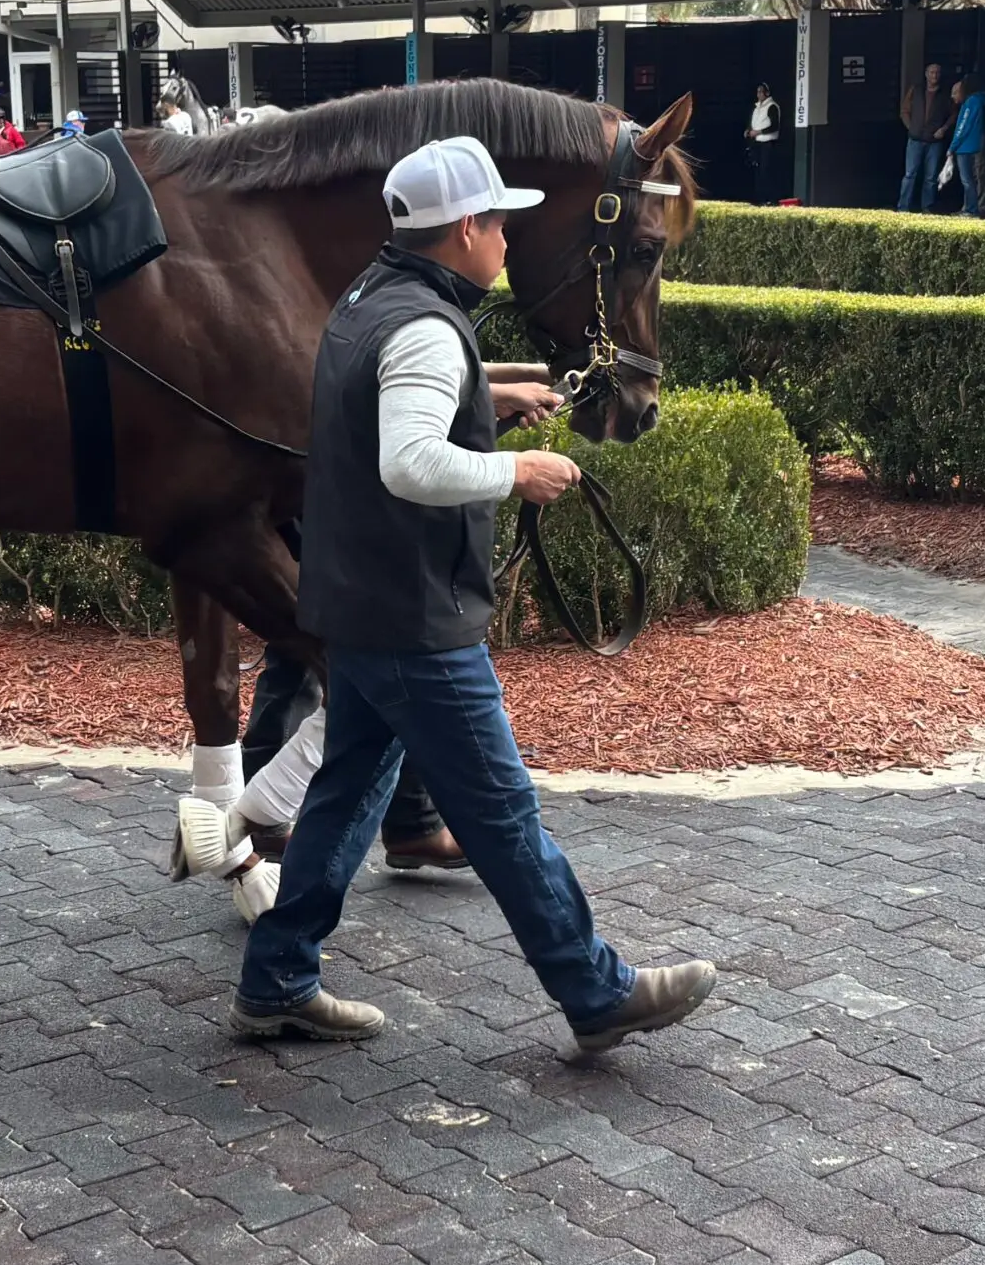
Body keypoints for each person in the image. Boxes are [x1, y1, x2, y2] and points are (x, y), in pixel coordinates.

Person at [226, 135, 717, 1051]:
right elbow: (408, 460)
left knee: (344, 797)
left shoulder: (373, 296)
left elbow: (387, 394)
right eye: (498, 221)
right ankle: (596, 991)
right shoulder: (423, 327)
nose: (507, 240)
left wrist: (488, 389)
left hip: (359, 604)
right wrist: (512, 468)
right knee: (500, 813)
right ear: (463, 230)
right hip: (416, 619)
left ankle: (278, 979)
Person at [898, 64, 953, 212]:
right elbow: (904, 110)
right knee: (910, 174)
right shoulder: (916, 90)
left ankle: (927, 208)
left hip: (934, 141)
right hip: (915, 139)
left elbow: (953, 114)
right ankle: (903, 207)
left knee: (931, 177)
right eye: (931, 72)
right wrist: (911, 127)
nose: (934, 76)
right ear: (926, 74)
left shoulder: (944, 94)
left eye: (937, 73)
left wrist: (944, 129)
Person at [949, 78, 985, 217]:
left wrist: (952, 147)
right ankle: (969, 208)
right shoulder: (977, 101)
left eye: (955, 92)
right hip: (971, 145)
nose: (952, 96)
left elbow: (963, 127)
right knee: (971, 180)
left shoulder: (971, 102)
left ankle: (971, 210)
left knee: (967, 180)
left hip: (966, 146)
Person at [745, 83, 784, 205]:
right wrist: (749, 130)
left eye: (761, 92)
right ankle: (759, 198)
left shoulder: (772, 106)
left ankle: (769, 199)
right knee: (758, 171)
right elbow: (755, 122)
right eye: (758, 92)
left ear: (767, 93)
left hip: (768, 143)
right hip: (758, 143)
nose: (759, 94)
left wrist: (759, 132)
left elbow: (774, 126)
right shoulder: (757, 108)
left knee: (766, 171)